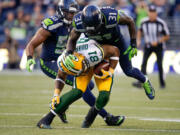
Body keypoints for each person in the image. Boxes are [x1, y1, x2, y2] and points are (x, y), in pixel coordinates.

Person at [25, 0, 121, 126]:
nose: (71, 16)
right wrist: (29, 58)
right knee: (83, 89)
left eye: (73, 13)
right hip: (51, 62)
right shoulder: (52, 25)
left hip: (72, 58)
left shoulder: (81, 22)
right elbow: (31, 44)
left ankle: (61, 107)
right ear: (60, 11)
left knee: (90, 86)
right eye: (67, 13)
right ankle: (106, 116)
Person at [63, 5, 155, 100]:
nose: (93, 31)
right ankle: (95, 105)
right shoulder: (78, 22)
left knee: (128, 70)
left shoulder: (110, 16)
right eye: (89, 29)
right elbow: (72, 39)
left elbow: (130, 21)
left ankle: (145, 80)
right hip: (98, 45)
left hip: (117, 42)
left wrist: (133, 43)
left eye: (94, 27)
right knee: (88, 71)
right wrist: (69, 53)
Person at [37, 38, 125, 129]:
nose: (83, 73)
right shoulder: (64, 60)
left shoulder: (95, 53)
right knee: (77, 92)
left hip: (99, 62)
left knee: (104, 96)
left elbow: (115, 51)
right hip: (83, 61)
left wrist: (110, 71)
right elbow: (60, 77)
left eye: (81, 71)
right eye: (78, 73)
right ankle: (47, 119)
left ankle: (92, 115)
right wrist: (56, 94)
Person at [133, 4, 170, 89]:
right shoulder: (143, 21)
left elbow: (167, 36)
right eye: (150, 12)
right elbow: (139, 31)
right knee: (144, 63)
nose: (152, 14)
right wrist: (138, 41)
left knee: (160, 64)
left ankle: (162, 84)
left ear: (156, 13)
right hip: (148, 45)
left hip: (159, 46)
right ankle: (141, 82)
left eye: (153, 12)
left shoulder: (161, 23)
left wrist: (158, 41)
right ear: (148, 12)